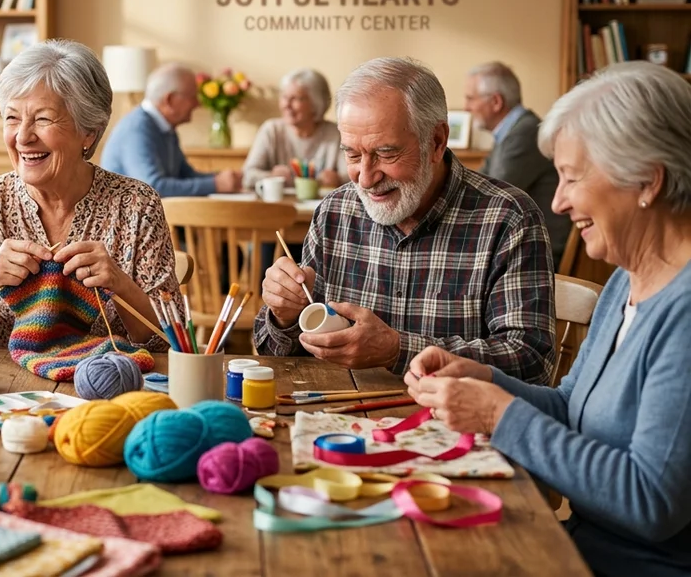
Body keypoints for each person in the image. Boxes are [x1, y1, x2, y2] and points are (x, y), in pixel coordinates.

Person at [408, 62, 691, 577]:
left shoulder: (685, 314)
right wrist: (483, 378)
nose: (557, 202)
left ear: (648, 180)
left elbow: (651, 502)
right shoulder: (627, 282)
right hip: (577, 545)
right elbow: (570, 408)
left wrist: (498, 415)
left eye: (572, 177)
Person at [254, 57, 556, 383]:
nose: (366, 179)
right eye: (352, 155)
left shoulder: (508, 218)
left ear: (437, 142)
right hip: (339, 421)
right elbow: (274, 355)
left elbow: (532, 361)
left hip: (453, 422)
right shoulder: (335, 212)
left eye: (386, 153)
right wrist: (284, 316)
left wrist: (398, 351)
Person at [0, 40, 179, 349]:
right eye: (12, 118)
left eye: (43, 119)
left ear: (88, 131)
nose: (22, 137)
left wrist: (120, 284)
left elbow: (173, 340)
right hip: (5, 390)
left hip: (109, 389)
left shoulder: (138, 205)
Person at [464, 62, 572, 268]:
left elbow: (489, 197)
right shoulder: (511, 131)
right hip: (522, 241)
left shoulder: (524, 134)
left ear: (496, 102)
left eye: (471, 98)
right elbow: (477, 182)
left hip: (538, 250)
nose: (467, 106)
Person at [100, 63, 240, 196]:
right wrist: (215, 184)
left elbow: (185, 175)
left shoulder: (165, 128)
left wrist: (223, 178)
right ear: (170, 100)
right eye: (192, 97)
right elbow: (151, 187)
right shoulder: (137, 129)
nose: (198, 104)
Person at [242, 68, 345, 189]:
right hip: (281, 207)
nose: (286, 105)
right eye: (284, 97)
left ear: (316, 103)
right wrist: (271, 176)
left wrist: (338, 179)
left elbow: (352, 178)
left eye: (296, 98)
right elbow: (247, 176)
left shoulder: (335, 134)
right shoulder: (271, 130)